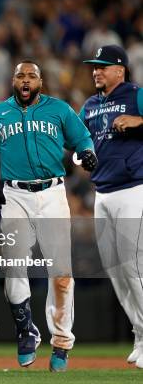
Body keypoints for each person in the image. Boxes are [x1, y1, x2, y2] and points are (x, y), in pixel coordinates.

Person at [0, 61, 97, 372]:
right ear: (13, 81)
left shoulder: (58, 109)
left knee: (61, 273)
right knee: (14, 266)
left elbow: (82, 139)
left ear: (40, 81)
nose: (26, 80)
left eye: (31, 75)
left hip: (52, 194)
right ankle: (25, 330)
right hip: (14, 195)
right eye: (21, 75)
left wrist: (86, 152)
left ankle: (60, 342)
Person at [80, 45, 143, 369]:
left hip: (133, 188)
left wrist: (138, 120)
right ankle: (139, 332)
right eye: (94, 66)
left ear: (120, 69)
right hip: (102, 193)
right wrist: (81, 155)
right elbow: (79, 144)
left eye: (103, 66)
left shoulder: (136, 94)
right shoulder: (90, 105)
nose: (96, 71)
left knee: (133, 265)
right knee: (116, 269)